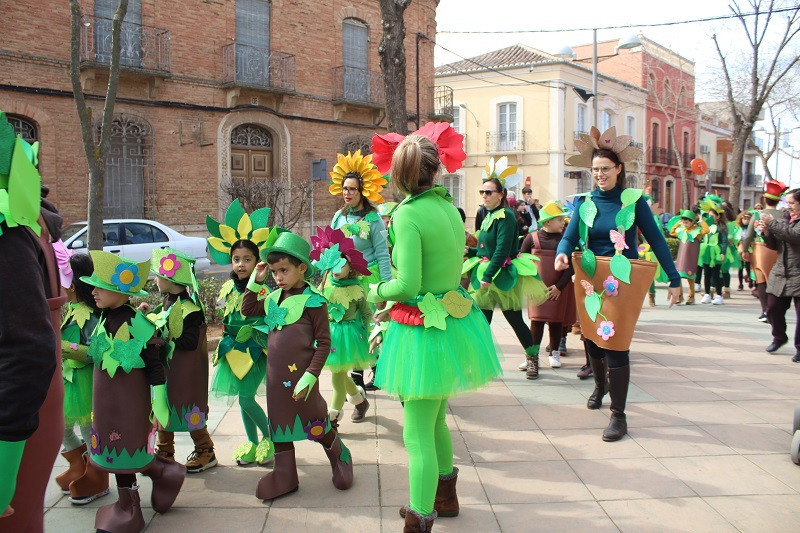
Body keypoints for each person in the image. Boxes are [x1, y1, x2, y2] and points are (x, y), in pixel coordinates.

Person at [368, 125, 501, 532]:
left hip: (421, 330)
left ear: (401, 174)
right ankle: (445, 495)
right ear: (435, 168)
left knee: (416, 432)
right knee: (436, 417)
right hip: (452, 322)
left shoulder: (407, 213)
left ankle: (420, 515)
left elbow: (406, 285)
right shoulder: (447, 207)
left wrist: (375, 290)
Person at [556, 126, 681, 442]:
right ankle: (600, 385)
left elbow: (657, 240)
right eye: (595, 169)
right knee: (593, 340)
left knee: (616, 344)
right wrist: (561, 254)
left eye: (605, 169)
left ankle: (619, 415)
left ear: (619, 170)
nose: (599, 174)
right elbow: (570, 236)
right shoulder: (584, 202)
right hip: (589, 278)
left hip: (621, 281)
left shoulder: (633, 200)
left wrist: (675, 279)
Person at [241, 231, 354, 500]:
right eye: (273, 272)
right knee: (279, 424)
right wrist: (255, 282)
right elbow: (247, 309)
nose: (278, 277)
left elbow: (324, 344)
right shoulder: (273, 298)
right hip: (275, 379)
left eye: (284, 270)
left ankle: (339, 454)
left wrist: (310, 376)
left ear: (302, 268)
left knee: (314, 420)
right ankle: (285, 473)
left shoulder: (313, 302)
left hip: (303, 379)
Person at [81, 251, 185, 532]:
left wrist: (159, 401)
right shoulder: (106, 317)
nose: (93, 292)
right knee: (119, 450)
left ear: (119, 290)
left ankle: (129, 508)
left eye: (99, 287)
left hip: (128, 404)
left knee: (124, 449)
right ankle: (163, 472)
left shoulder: (135, 324)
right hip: (108, 403)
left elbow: (154, 366)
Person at [0, 114, 66, 530]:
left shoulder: (10, 228)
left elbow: (27, 348)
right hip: (30, 402)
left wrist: (1, 473)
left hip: (15, 414)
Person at [463, 157, 548, 374]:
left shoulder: (507, 217)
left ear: (501, 195)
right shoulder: (488, 215)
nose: (484, 195)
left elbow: (501, 250)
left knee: (514, 320)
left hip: (501, 277)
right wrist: (470, 252)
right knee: (482, 322)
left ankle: (532, 358)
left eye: (489, 192)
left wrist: (487, 276)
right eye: (482, 192)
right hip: (488, 275)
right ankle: (476, 362)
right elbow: (486, 250)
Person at [206, 200, 275, 466]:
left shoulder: (263, 291)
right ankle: (253, 443)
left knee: (247, 398)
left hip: (256, 349)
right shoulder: (226, 289)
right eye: (237, 259)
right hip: (232, 350)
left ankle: (270, 440)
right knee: (241, 400)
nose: (241, 264)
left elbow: (266, 319)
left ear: (258, 262)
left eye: (248, 259)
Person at [143, 248, 216, 473]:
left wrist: (164, 340)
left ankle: (206, 450)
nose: (155, 279)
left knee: (187, 407)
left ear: (171, 278)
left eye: (158, 275)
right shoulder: (168, 300)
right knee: (164, 406)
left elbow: (191, 342)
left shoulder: (190, 309)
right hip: (168, 371)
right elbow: (162, 322)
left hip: (185, 373)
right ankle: (165, 450)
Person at [328, 150, 391, 391]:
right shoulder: (338, 217)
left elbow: (383, 253)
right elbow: (331, 250)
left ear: (362, 190)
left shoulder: (374, 218)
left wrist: (385, 289)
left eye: (352, 189)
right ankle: (355, 376)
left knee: (369, 324)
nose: (347, 193)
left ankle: (375, 370)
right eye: (345, 188)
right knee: (351, 327)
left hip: (369, 279)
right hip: (344, 282)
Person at [56, 253, 110, 505]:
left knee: (90, 430)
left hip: (85, 382)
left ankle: (97, 478)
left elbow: (93, 352)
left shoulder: (88, 314)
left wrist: (61, 346)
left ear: (73, 285)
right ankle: (80, 466)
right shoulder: (73, 309)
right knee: (63, 428)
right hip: (70, 380)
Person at [309, 226, 373, 426]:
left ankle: (333, 418)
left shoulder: (356, 288)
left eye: (341, 265)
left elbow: (366, 313)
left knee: (337, 378)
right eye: (333, 265)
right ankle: (360, 401)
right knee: (340, 372)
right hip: (330, 335)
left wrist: (373, 334)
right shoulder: (326, 286)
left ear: (350, 268)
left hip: (350, 337)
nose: (336, 269)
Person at [520, 201, 574, 377]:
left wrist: (559, 287)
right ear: (548, 222)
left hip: (558, 287)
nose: (563, 223)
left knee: (557, 321)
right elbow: (523, 262)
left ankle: (555, 352)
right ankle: (532, 355)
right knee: (537, 321)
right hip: (537, 288)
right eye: (559, 220)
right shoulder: (532, 238)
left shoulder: (564, 240)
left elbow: (571, 266)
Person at [759, 188, 800, 361]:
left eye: (792, 203)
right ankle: (779, 337)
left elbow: (794, 236)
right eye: (787, 202)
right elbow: (775, 245)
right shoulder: (784, 218)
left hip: (798, 272)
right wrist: (766, 232)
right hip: (780, 272)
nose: (788, 206)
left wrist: (773, 224)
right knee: (772, 309)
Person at [742, 181, 787, 321]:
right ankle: (776, 311)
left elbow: (749, 235)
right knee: (777, 281)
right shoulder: (784, 215)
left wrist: (745, 250)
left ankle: (765, 311)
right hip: (779, 250)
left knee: (761, 281)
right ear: (778, 200)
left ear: (764, 199)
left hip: (760, 249)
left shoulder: (757, 214)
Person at [669, 209, 709, 305]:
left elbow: (706, 230)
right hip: (681, 257)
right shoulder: (682, 230)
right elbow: (672, 232)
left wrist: (701, 221)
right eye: (683, 222)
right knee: (679, 275)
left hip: (691, 257)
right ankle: (680, 296)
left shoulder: (697, 231)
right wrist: (678, 224)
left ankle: (691, 296)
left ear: (692, 222)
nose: (685, 224)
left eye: (686, 222)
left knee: (690, 277)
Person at [698, 197, 729, 305]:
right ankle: (707, 294)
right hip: (706, 251)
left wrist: (723, 253)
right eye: (709, 215)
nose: (710, 217)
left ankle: (719, 295)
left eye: (712, 215)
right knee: (706, 273)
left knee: (716, 274)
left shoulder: (722, 227)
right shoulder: (707, 226)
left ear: (718, 216)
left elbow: (725, 241)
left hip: (716, 252)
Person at [734, 210, 754, 291]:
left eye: (748, 219)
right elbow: (735, 237)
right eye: (744, 219)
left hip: (749, 248)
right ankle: (740, 284)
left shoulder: (751, 229)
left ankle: (750, 280)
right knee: (740, 267)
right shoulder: (738, 228)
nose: (746, 220)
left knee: (748, 266)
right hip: (740, 248)